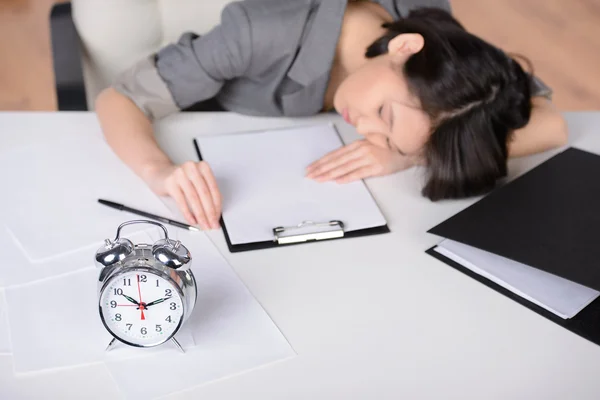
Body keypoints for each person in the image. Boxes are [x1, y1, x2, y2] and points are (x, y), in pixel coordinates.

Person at [95, 0, 568, 231]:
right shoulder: (261, 33)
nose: (362, 128)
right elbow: (120, 99)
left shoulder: (446, 60)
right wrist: (160, 172)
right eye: (383, 111)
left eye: (387, 137)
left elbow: (551, 122)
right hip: (219, 155)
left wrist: (410, 155)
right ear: (404, 48)